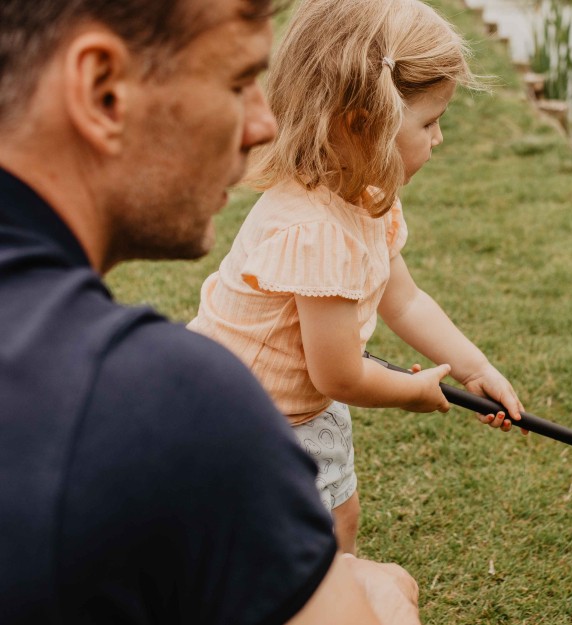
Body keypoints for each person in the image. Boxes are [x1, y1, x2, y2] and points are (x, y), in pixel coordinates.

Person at [0, 0, 421, 623]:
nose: (265, 125)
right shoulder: (182, 403)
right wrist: (381, 601)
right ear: (102, 91)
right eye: (239, 82)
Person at [188, 0, 526, 557]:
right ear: (361, 124)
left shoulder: (365, 197)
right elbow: (339, 374)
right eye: (429, 122)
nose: (439, 138)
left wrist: (475, 368)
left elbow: (405, 300)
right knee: (282, 545)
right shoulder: (316, 231)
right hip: (246, 421)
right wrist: (412, 393)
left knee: (341, 515)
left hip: (302, 408)